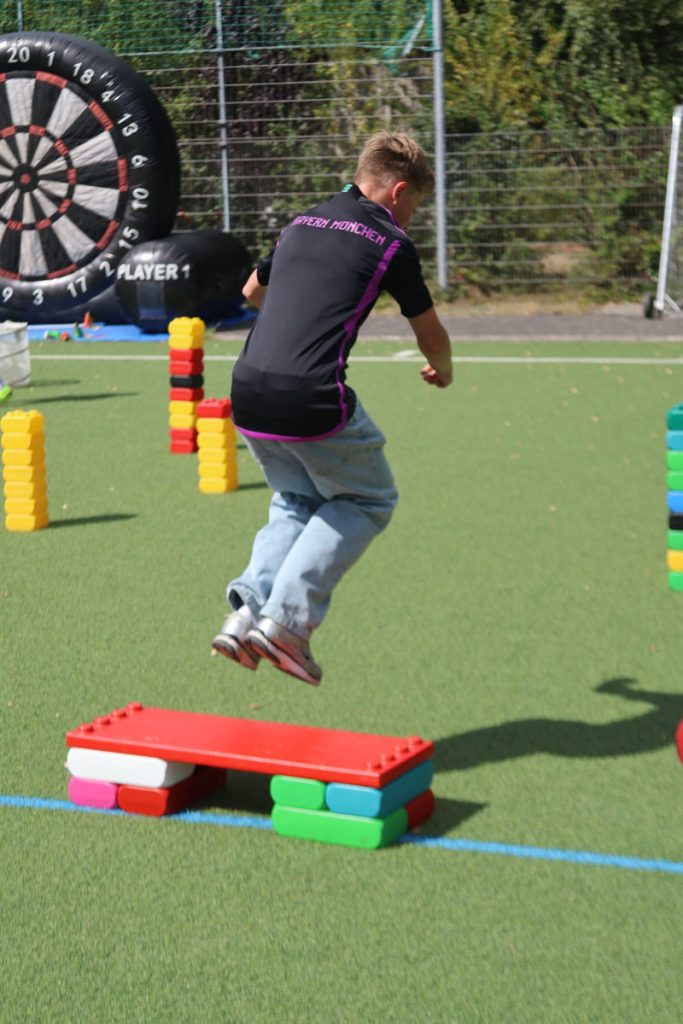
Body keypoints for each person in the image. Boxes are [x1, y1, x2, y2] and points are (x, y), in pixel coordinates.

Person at [212, 131, 452, 685]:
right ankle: (287, 623)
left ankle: (247, 610)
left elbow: (252, 291)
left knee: (296, 498)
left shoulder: (304, 221)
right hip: (310, 398)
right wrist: (445, 369)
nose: (411, 217)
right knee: (369, 498)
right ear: (396, 192)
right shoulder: (391, 241)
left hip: (247, 393)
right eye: (413, 206)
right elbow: (430, 334)